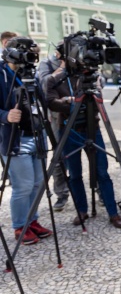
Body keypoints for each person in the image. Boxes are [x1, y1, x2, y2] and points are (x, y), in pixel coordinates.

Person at [45, 50, 121, 229]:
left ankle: (113, 212)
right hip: (69, 130)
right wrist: (74, 102)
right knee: (74, 175)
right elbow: (50, 102)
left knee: (102, 173)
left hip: (92, 128)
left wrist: (69, 100)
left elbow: (98, 99)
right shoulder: (55, 79)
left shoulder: (91, 77)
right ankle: (81, 210)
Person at [0, 37, 53, 244]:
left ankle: (32, 220)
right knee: (23, 186)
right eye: (29, 54)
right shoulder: (2, 74)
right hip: (15, 138)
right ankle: (20, 225)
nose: (32, 58)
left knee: (38, 184)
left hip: (37, 135)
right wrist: (5, 116)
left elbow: (40, 100)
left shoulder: (29, 74)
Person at [37, 42, 70, 211]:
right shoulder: (47, 63)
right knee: (59, 155)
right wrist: (61, 71)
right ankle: (61, 195)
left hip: (78, 113)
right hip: (56, 115)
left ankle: (100, 192)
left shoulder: (77, 61)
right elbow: (42, 85)